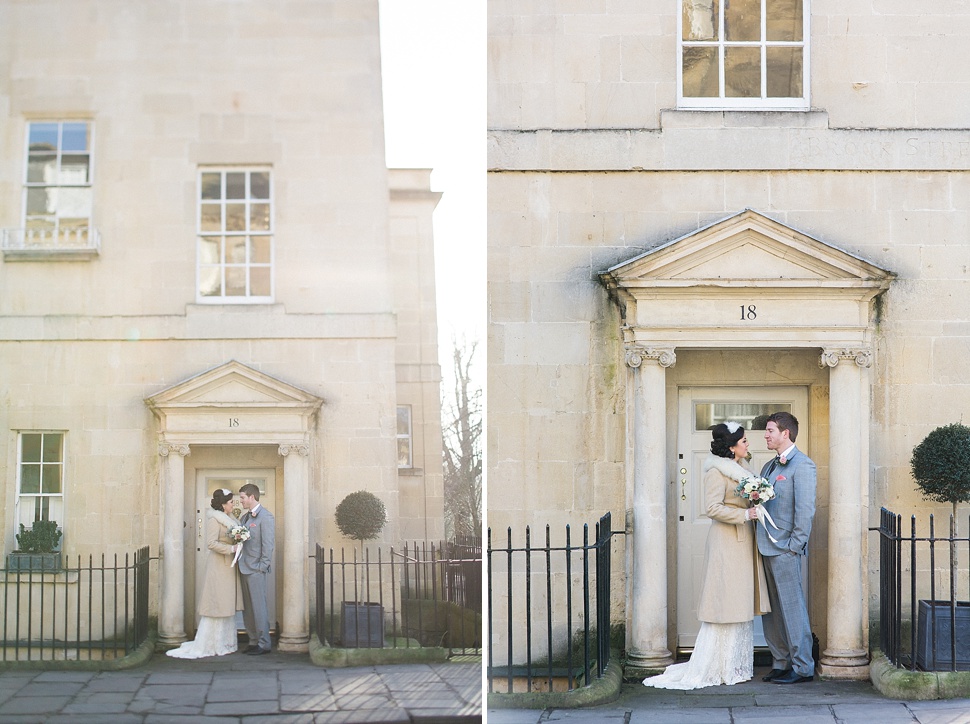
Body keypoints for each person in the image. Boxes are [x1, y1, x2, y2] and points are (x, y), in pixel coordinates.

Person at [644, 421, 769, 689]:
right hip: (726, 542)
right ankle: (718, 667)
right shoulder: (716, 471)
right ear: (732, 447)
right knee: (726, 602)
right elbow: (712, 508)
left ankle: (735, 665)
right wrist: (744, 513)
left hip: (744, 540)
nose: (748, 444)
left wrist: (757, 499)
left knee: (739, 601)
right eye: (744, 441)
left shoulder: (743, 469)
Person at [758, 412, 817, 684]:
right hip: (764, 547)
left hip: (785, 549)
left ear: (786, 433)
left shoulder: (803, 466)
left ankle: (803, 667)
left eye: (770, 430)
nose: (766, 435)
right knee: (771, 612)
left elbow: (805, 511)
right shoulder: (768, 467)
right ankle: (780, 662)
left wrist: (794, 546)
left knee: (792, 609)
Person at [166, 488, 243, 659]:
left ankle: (226, 642)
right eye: (231, 502)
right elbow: (211, 543)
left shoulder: (232, 520)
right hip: (218, 566)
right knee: (217, 603)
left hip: (229, 566)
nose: (233, 504)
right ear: (223, 505)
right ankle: (212, 643)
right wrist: (231, 548)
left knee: (226, 603)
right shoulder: (215, 519)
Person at [238, 482, 275, 655]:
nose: (241, 501)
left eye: (243, 498)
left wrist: (262, 566)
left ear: (252, 497)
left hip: (256, 570)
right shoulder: (244, 518)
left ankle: (264, 643)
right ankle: (253, 640)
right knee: (249, 608)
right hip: (243, 568)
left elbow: (268, 545)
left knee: (259, 607)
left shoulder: (265, 517)